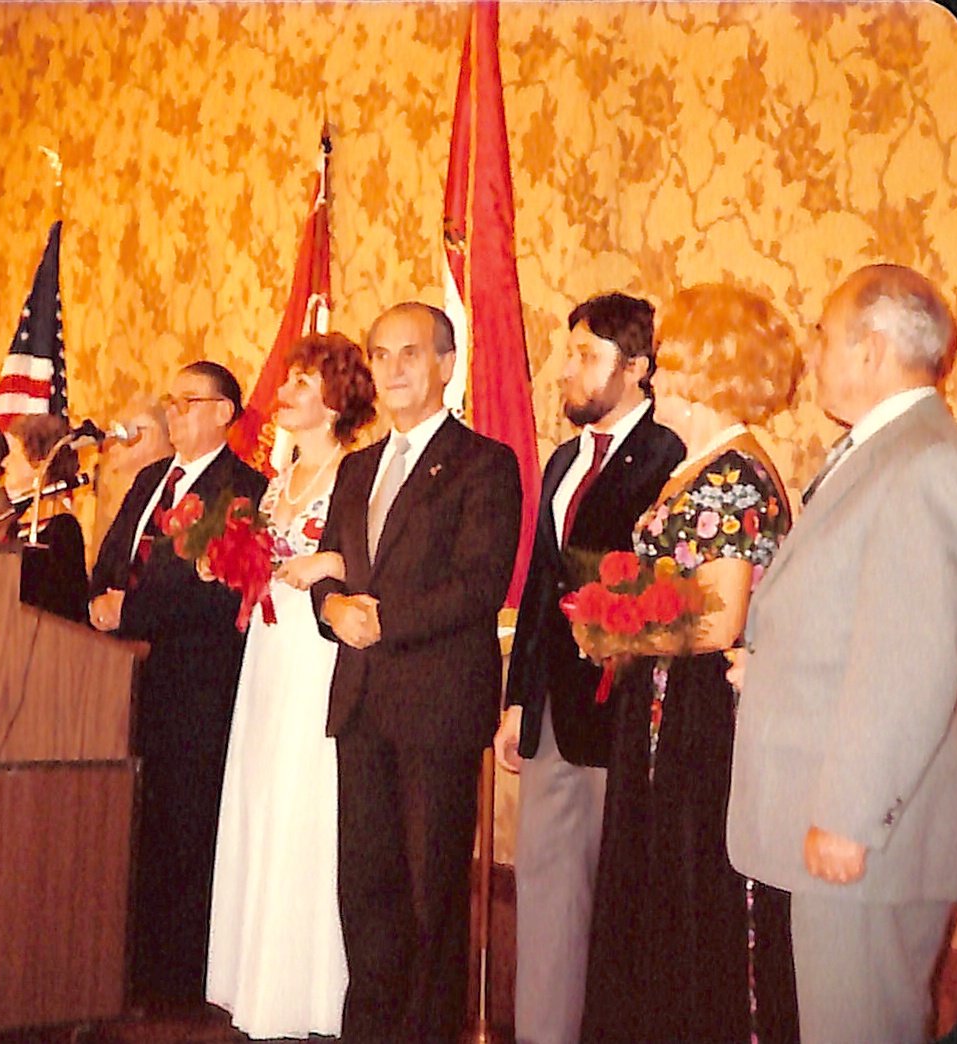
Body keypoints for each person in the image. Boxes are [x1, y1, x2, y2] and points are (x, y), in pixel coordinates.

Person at [727, 264, 957, 1044]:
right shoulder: (887, 450)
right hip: (843, 827)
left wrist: (850, 819)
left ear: (873, 348)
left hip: (866, 843)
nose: (815, 352)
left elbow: (913, 662)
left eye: (825, 334)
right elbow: (862, 621)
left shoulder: (924, 462)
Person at [579, 284, 801, 1042]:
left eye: (669, 358)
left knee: (694, 896)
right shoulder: (698, 465)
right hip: (666, 712)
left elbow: (717, 619)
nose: (654, 374)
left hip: (702, 720)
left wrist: (618, 634)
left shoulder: (733, 472)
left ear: (712, 369)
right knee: (655, 899)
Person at [310, 303, 521, 1044]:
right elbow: (331, 566)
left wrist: (384, 620)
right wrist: (330, 606)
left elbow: (479, 583)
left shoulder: (484, 463)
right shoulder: (357, 467)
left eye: (410, 353)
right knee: (364, 891)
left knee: (431, 900)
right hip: (361, 704)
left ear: (446, 364)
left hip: (436, 709)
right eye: (381, 354)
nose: (393, 368)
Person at [493, 293, 684, 1044]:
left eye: (586, 355)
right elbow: (543, 585)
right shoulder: (563, 459)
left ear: (637, 368)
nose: (567, 369)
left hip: (628, 716)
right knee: (545, 893)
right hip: (552, 718)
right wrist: (519, 702)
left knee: (620, 900)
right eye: (569, 352)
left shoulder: (671, 457)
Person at [206, 333, 376, 1039]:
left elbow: (369, 558)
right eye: (291, 379)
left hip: (316, 652)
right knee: (262, 793)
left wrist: (326, 561)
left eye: (305, 382)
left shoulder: (355, 472)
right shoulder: (279, 477)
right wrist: (229, 561)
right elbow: (268, 561)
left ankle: (312, 990)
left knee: (307, 796)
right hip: (269, 651)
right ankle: (260, 979)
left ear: (337, 399)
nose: (287, 391)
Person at [88, 361, 267, 1007]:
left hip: (195, 682)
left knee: (184, 824)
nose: (174, 412)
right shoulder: (148, 480)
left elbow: (215, 593)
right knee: (132, 822)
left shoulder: (242, 489)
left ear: (224, 412)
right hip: (124, 677)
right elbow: (113, 557)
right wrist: (99, 601)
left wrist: (130, 610)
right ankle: (125, 967)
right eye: (172, 401)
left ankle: (175, 981)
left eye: (188, 401)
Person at [2, 413, 88, 623]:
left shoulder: (62, 528)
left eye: (13, 453)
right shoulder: (13, 523)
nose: (4, 462)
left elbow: (66, 606)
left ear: (40, 463)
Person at [88, 396, 171, 569]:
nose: (110, 444)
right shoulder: (128, 498)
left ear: (152, 436)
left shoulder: (175, 494)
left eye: (122, 432)